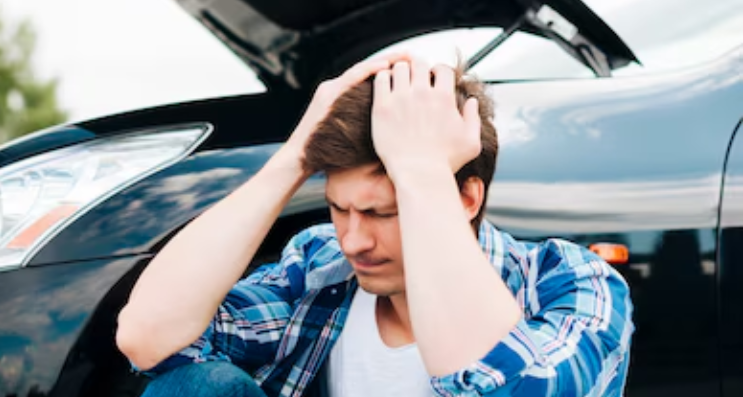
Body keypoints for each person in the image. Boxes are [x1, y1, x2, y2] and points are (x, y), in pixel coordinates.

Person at [116, 56, 634, 396]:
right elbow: (150, 338)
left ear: (466, 198)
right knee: (200, 387)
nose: (353, 241)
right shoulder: (320, 268)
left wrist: (421, 172)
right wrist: (292, 159)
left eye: (383, 213)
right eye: (339, 209)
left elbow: (510, 388)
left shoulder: (570, 281)